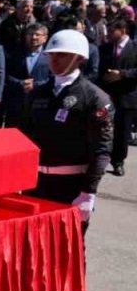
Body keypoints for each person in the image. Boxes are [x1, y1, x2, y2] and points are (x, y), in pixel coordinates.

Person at [19, 30, 113, 232]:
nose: (54, 59)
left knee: (69, 251)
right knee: (35, 247)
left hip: (71, 186)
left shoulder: (95, 98)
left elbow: (101, 149)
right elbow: (24, 138)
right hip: (36, 185)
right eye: (51, 54)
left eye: (62, 55)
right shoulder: (37, 94)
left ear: (79, 58)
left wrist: (89, 191)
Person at [99, 19, 136, 176]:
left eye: (112, 30)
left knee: (122, 132)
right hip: (107, 96)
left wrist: (122, 74)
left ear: (123, 30)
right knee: (103, 130)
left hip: (127, 97)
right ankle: (101, 159)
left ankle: (118, 161)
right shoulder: (105, 48)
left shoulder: (134, 48)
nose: (108, 33)